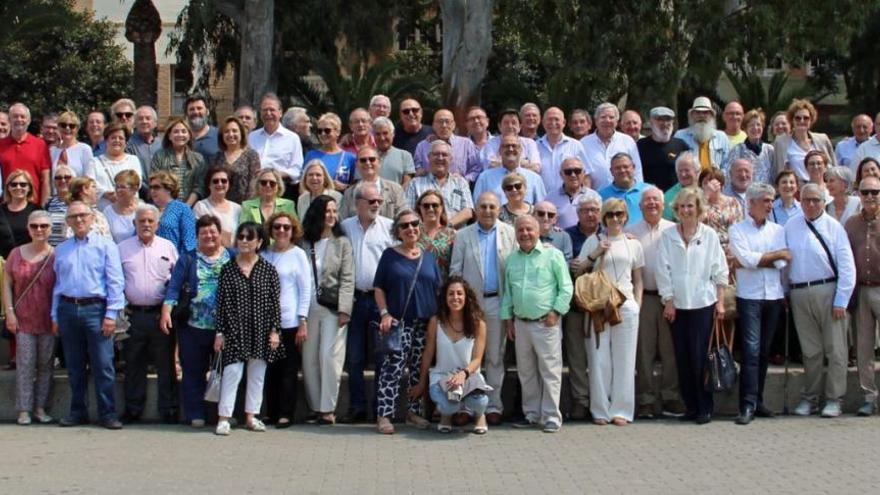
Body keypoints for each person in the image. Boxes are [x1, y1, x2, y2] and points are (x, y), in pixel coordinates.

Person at [656, 187, 728, 424]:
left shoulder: (709, 235)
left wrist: (720, 302)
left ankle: (705, 407)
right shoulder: (668, 236)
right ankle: (690, 406)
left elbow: (720, 270)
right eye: (682, 207)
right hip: (677, 306)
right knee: (683, 358)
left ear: (699, 209)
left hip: (702, 304)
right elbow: (662, 271)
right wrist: (668, 301)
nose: (686, 211)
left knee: (700, 358)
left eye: (691, 206)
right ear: (676, 210)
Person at [52, 201, 125, 429]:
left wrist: (112, 314)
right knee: (74, 366)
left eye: (83, 215)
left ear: (92, 218)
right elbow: (57, 285)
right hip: (67, 309)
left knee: (103, 364)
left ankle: (108, 413)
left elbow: (115, 282)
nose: (79, 220)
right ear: (68, 222)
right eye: (73, 217)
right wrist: (54, 315)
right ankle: (77, 412)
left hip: (96, 309)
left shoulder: (106, 246)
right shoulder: (61, 249)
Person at [786, 183, 856, 418]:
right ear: (800, 201)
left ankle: (835, 398)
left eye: (816, 200)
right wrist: (785, 292)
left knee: (835, 349)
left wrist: (841, 300)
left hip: (828, 290)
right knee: (810, 351)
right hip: (798, 293)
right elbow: (785, 262)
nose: (811, 204)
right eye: (806, 200)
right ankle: (811, 397)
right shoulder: (791, 225)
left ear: (823, 201)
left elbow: (847, 266)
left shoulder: (834, 227)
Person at [373, 209, 443, 434]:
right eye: (405, 226)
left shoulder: (429, 257)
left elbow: (437, 288)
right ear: (398, 231)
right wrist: (384, 313)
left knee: (418, 370)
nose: (411, 228)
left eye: (414, 224)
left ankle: (414, 412)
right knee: (392, 369)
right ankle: (384, 415)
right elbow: (379, 288)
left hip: (425, 323)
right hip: (399, 323)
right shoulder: (389, 256)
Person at [450, 192, 517, 425]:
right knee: (467, 355)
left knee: (495, 357)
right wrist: (459, 304)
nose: (487, 211)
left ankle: (494, 405)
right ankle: (466, 406)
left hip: (498, 301)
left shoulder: (510, 233)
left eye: (492, 207)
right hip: (471, 304)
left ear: (499, 209)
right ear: (476, 209)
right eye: (483, 206)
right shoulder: (463, 235)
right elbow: (455, 271)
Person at [160, 215, 233, 428]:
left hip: (225, 327)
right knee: (193, 371)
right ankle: (196, 413)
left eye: (212, 232)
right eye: (204, 233)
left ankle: (223, 414)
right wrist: (166, 311)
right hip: (193, 326)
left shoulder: (232, 256)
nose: (209, 236)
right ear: (197, 236)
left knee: (225, 371)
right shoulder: (188, 258)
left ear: (220, 233)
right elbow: (174, 286)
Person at [502, 215, 573, 433]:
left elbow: (566, 287)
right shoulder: (511, 259)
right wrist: (508, 320)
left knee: (550, 371)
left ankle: (551, 415)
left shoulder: (553, 255)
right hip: (521, 324)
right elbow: (507, 293)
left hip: (546, 323)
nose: (525, 234)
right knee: (526, 372)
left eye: (529, 230)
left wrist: (556, 311)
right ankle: (531, 413)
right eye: (520, 230)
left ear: (538, 231)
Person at [578, 198, 644, 425]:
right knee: (599, 359)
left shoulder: (633, 243)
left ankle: (622, 410)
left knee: (625, 360)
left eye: (619, 214)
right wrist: (596, 253)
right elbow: (579, 270)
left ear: (625, 216)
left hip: (625, 305)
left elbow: (638, 279)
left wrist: (637, 305)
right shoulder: (593, 240)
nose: (615, 218)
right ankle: (600, 409)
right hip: (599, 304)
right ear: (603, 218)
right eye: (610, 215)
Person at [213, 222, 284, 435]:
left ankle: (252, 416)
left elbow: (274, 303)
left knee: (257, 374)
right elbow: (221, 303)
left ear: (259, 242)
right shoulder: (228, 268)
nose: (244, 241)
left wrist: (275, 331)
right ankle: (224, 417)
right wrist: (220, 332)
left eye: (249, 237)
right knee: (232, 372)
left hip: (261, 329)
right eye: (241, 237)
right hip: (234, 330)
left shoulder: (268, 270)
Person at [728, 183, 789, 425]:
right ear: (751, 203)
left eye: (771, 200)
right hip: (750, 296)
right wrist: (772, 257)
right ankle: (746, 404)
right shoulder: (738, 229)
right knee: (751, 352)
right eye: (765, 200)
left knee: (764, 351)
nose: (770, 204)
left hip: (773, 295)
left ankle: (758, 400)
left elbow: (783, 263)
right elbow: (745, 259)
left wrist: (756, 261)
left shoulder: (777, 230)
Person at [118, 205, 179, 425]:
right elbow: (116, 281)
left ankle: (169, 410)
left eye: (150, 221)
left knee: (166, 365)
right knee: (133, 364)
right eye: (141, 221)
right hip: (133, 315)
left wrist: (168, 309)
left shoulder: (168, 247)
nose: (145, 224)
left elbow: (176, 282)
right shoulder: (122, 248)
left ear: (158, 224)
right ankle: (133, 409)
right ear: (134, 224)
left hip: (160, 315)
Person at [626, 187, 684, 419]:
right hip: (644, 298)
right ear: (639, 207)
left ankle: (671, 397)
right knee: (644, 351)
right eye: (647, 201)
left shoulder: (675, 230)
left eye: (656, 201)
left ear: (663, 205)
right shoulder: (630, 232)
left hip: (670, 298)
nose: (651, 204)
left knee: (670, 351)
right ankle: (646, 400)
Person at [339, 183, 394, 422]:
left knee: (382, 356)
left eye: (379, 201)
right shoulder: (345, 228)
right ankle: (357, 406)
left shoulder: (389, 228)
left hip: (380, 300)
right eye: (371, 201)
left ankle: (380, 407)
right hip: (355, 299)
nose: (376, 205)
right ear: (357, 203)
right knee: (355, 357)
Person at [410, 276, 490, 434]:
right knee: (449, 405)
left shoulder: (478, 324)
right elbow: (428, 354)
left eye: (460, 294)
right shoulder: (436, 322)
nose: (455, 298)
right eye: (451, 294)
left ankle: (480, 416)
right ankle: (446, 415)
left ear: (466, 297)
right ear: (445, 297)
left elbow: (477, 359)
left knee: (480, 402)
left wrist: (463, 374)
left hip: (468, 377)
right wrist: (421, 383)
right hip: (441, 377)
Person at [298, 200, 354, 425]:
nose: (331, 215)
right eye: (327, 211)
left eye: (334, 211)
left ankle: (328, 408)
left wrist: (345, 309)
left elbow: (348, 278)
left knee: (330, 357)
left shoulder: (342, 243)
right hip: (306, 307)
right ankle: (314, 407)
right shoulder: (303, 243)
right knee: (309, 358)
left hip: (332, 307)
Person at [4, 210, 56, 425]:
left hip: (48, 317)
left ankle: (40, 408)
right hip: (23, 317)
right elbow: (6, 283)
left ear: (51, 229)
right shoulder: (16, 253)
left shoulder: (56, 255)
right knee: (25, 365)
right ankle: (24, 409)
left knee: (45, 365)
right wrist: (9, 312)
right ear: (28, 229)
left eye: (43, 226)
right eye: (34, 226)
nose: (39, 230)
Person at [261, 211, 313, 427]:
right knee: (269, 369)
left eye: (286, 227)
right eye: (277, 227)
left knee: (288, 370)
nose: (281, 231)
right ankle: (270, 412)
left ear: (293, 231)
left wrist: (303, 320)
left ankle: (285, 413)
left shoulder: (298, 254)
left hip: (290, 321)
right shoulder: (263, 253)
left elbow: (305, 288)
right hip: (266, 321)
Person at [846, 175, 880, 416]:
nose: (870, 196)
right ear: (858, 194)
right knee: (864, 347)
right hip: (861, 290)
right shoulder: (851, 224)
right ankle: (869, 396)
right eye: (865, 192)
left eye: (875, 192)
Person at [405, 141, 474, 227]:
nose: (440, 158)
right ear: (429, 157)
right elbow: (408, 211)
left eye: (444, 155)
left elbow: (468, 211)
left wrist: (446, 227)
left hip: (456, 235)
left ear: (450, 159)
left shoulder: (460, 183)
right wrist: (429, 229)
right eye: (436, 154)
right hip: (424, 236)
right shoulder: (415, 184)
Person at [249, 93, 305, 195]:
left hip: (282, 189)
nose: (268, 113)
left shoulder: (292, 138)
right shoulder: (251, 137)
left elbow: (296, 170)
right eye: (265, 110)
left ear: (280, 113)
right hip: (255, 189)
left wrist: (275, 174)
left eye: (272, 110)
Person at [581, 103, 643, 190]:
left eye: (611, 117)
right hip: (594, 199)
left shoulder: (627, 141)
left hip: (624, 197)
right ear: (596, 120)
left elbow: (637, 171)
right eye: (603, 117)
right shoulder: (584, 143)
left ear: (617, 122)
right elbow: (582, 174)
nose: (607, 120)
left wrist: (637, 194)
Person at [473, 132, 546, 206]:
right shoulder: (485, 178)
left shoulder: (534, 179)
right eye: (506, 146)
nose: (511, 149)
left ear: (521, 150)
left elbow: (542, 207)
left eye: (514, 146)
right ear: (500, 151)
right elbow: (477, 205)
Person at [773, 99, 836, 182]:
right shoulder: (781, 142)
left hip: (821, 188)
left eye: (806, 118)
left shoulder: (822, 139)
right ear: (792, 120)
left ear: (811, 120)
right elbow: (778, 169)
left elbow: (834, 167)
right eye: (798, 118)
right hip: (796, 189)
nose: (802, 121)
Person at [0, 103, 51, 205]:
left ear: (29, 121)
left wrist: (42, 208)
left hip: (33, 205)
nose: (19, 119)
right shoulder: (1, 145)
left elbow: (45, 180)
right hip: (6, 207)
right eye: (15, 116)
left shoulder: (40, 145)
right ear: (9, 120)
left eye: (22, 117)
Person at [413, 109, 481, 183]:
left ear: (453, 125)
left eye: (447, 122)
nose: (444, 125)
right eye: (440, 122)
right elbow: (416, 167)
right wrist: (420, 171)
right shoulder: (422, 146)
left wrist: (465, 180)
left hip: (458, 190)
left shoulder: (466, 144)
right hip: (429, 189)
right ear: (433, 125)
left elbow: (476, 168)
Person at [150, 118, 206, 205]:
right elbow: (155, 183)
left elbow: (199, 187)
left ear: (189, 135)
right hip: (165, 207)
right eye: (176, 132)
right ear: (169, 136)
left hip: (190, 208)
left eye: (184, 131)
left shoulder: (198, 159)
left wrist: (186, 207)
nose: (180, 134)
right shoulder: (159, 156)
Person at [341, 146, 405, 219]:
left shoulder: (396, 190)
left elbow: (403, 217)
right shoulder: (349, 194)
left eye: (372, 159)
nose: (368, 163)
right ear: (357, 165)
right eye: (363, 160)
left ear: (379, 162)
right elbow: (343, 221)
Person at [637, 106, 690, 192]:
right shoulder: (640, 145)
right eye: (660, 120)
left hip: (675, 198)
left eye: (668, 120)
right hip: (650, 198)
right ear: (651, 122)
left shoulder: (681, 145)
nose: (665, 123)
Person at [92, 122, 142, 211]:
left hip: (129, 211)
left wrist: (123, 192)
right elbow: (91, 185)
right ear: (106, 141)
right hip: (104, 211)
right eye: (113, 138)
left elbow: (138, 182)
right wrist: (107, 194)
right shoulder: (94, 162)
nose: (117, 140)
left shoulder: (133, 160)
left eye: (121, 138)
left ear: (126, 142)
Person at [537, 107, 588, 194]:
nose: (553, 123)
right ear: (543, 123)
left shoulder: (575, 145)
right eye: (549, 120)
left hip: (569, 200)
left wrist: (583, 197)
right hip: (542, 201)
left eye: (557, 119)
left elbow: (586, 175)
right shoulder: (535, 146)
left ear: (564, 123)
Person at [211, 115, 261, 204]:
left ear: (241, 133)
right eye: (226, 131)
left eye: (234, 131)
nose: (231, 134)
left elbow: (254, 184)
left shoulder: (251, 156)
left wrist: (246, 207)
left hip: (244, 207)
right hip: (220, 206)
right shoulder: (216, 157)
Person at [673, 96, 730, 171]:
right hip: (690, 181)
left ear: (711, 115)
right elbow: (676, 163)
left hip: (716, 180)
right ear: (692, 115)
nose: (701, 116)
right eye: (698, 112)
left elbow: (727, 164)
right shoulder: (680, 136)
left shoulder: (721, 137)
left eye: (705, 112)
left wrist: (718, 179)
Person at [304, 112, 356, 191]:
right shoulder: (311, 155)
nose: (323, 134)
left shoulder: (350, 158)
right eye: (319, 131)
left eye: (327, 130)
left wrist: (345, 187)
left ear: (337, 132)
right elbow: (303, 183)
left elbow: (355, 185)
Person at [193, 166, 242, 247]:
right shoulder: (200, 207)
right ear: (209, 185)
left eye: (224, 181)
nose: (220, 184)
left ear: (229, 184)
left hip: (233, 254)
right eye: (215, 181)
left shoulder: (237, 208)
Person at [149, 171, 196, 254]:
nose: (152, 191)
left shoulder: (182, 209)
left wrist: (184, 263)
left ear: (168, 189)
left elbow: (189, 242)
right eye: (151, 187)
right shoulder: (148, 210)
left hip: (174, 260)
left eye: (156, 187)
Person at [598, 152, 650, 226]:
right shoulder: (601, 196)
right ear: (611, 171)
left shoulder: (649, 191)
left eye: (625, 167)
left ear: (633, 167)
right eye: (617, 168)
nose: (622, 170)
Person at [727, 108, 775, 185]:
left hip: (767, 194)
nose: (755, 128)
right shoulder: (737, 150)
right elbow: (729, 176)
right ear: (745, 129)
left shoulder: (769, 150)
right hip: (745, 195)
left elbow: (773, 175)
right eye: (751, 125)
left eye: (758, 125)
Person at [415, 190, 456, 278]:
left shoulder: (452, 235)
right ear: (420, 208)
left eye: (435, 205)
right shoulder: (413, 233)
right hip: (418, 286)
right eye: (426, 206)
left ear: (441, 208)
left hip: (443, 287)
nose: (430, 209)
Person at [699, 167, 743, 250]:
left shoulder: (733, 202)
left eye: (712, 183)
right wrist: (706, 196)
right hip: (707, 248)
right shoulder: (698, 203)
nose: (709, 186)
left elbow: (740, 228)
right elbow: (695, 224)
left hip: (731, 248)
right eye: (705, 183)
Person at [0, 171, 40, 258]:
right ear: (8, 188)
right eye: (14, 184)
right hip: (3, 265)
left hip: (29, 264)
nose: (18, 187)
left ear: (29, 187)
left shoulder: (37, 211)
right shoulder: (1, 210)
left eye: (23, 184)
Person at [50, 111, 95, 181]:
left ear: (77, 129)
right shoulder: (52, 151)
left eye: (72, 126)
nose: (67, 128)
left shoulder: (84, 149)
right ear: (58, 127)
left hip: (77, 191)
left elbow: (90, 177)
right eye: (63, 125)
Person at [373, 117, 415, 187]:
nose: (382, 138)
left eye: (385, 133)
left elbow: (407, 184)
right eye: (378, 134)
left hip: (396, 197)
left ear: (393, 134)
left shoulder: (405, 156)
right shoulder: (366, 157)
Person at [102, 169, 141, 243]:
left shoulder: (143, 209)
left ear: (134, 189)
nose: (118, 190)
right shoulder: (108, 212)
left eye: (122, 187)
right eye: (117, 187)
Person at [126, 106, 162, 178]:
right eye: (140, 119)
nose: (144, 121)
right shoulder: (128, 145)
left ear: (155, 123)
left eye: (148, 118)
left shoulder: (162, 144)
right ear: (135, 124)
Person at [663, 152, 700, 220]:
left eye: (687, 170)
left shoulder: (706, 189)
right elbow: (666, 224)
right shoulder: (669, 196)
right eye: (680, 171)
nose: (683, 174)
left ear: (697, 171)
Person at [184, 94, 220, 162]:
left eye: (199, 108)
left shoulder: (219, 135)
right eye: (191, 109)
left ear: (207, 112)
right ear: (186, 114)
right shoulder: (180, 137)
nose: (196, 112)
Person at [46, 165, 75, 246]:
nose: (63, 180)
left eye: (67, 177)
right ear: (53, 182)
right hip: (53, 254)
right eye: (58, 178)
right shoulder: (48, 204)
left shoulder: (81, 203)